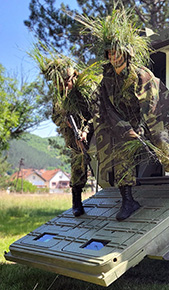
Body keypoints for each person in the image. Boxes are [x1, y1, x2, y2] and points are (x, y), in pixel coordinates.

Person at [75, 8, 169, 221]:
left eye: (117, 52)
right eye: (110, 53)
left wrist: (142, 130)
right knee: (121, 152)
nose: (114, 56)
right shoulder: (106, 81)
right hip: (126, 123)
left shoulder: (141, 75)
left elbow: (150, 106)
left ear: (126, 54)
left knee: (160, 141)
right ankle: (128, 200)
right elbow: (105, 109)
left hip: (152, 117)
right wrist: (126, 130)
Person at [30, 45, 101, 217]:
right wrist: (66, 123)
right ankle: (76, 201)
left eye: (66, 83)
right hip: (75, 137)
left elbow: (97, 113)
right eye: (60, 85)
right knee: (78, 163)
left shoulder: (87, 90)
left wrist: (85, 129)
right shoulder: (59, 96)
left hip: (97, 130)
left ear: (73, 77)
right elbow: (55, 117)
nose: (64, 88)